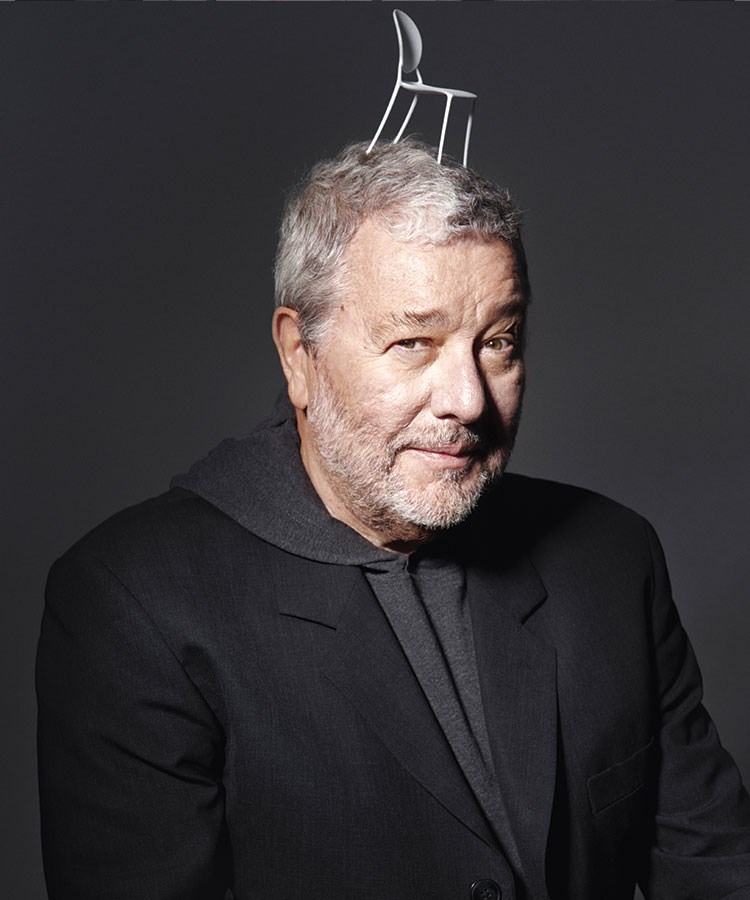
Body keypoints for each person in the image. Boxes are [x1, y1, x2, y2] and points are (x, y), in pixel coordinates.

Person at [37, 141, 750, 900]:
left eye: (497, 342)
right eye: (414, 344)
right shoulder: (134, 604)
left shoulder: (612, 558)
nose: (468, 401)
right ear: (299, 355)